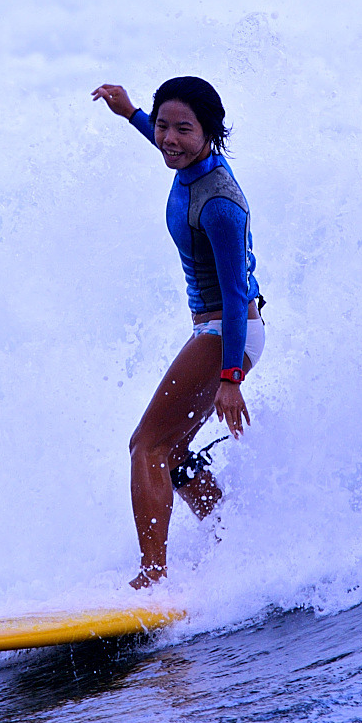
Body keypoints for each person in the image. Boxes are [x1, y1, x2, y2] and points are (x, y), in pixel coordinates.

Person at [92, 75, 264, 586]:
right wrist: (130, 114)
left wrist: (231, 377)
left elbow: (235, 295)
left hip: (228, 329)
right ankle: (232, 542)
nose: (168, 139)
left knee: (146, 445)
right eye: (162, 125)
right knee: (175, 451)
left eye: (181, 130)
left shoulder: (219, 204)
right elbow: (166, 142)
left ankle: (152, 577)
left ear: (208, 132)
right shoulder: (191, 162)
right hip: (219, 329)